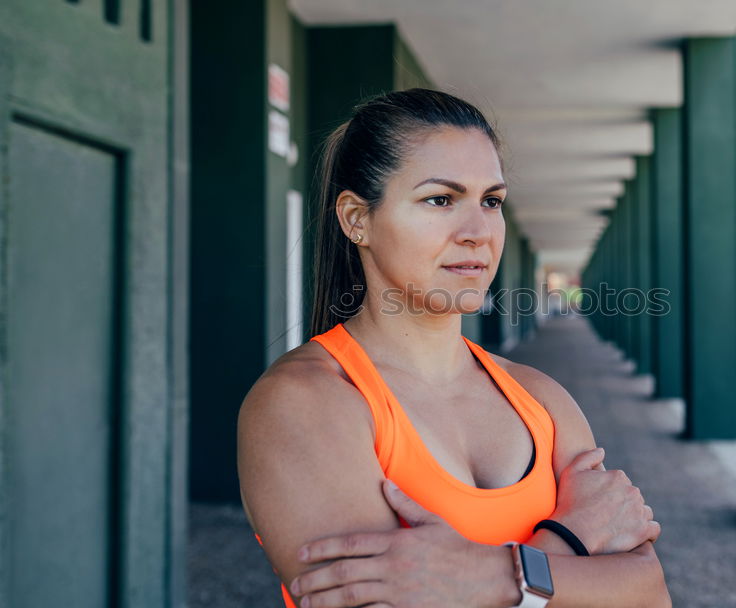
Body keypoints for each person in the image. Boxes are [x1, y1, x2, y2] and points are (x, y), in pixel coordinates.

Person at [237, 88, 671, 608]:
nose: (478, 231)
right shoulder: (303, 402)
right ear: (357, 219)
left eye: (491, 201)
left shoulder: (541, 399)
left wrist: (488, 581)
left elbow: (649, 593)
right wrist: (561, 545)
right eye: (440, 199)